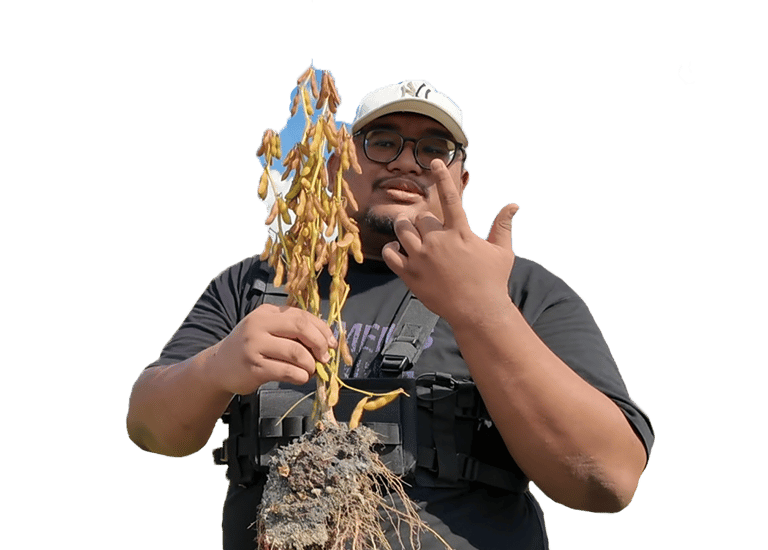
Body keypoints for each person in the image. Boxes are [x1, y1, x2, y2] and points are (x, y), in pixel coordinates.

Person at [126, 78, 654, 549]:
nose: (406, 161)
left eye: (434, 149)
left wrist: (482, 310)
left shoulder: (524, 291)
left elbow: (607, 479)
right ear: (341, 163)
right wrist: (216, 366)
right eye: (382, 142)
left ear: (461, 181)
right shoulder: (256, 282)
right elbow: (151, 429)